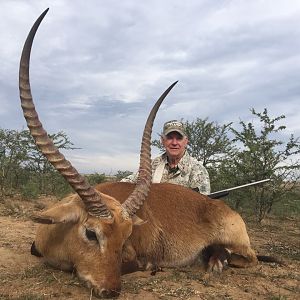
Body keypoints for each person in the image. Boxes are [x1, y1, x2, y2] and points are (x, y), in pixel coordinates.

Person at [122, 120, 211, 194]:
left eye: (179, 138)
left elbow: (201, 207)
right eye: (169, 138)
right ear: (162, 140)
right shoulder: (151, 166)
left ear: (186, 141)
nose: (174, 143)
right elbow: (123, 184)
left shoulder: (198, 170)